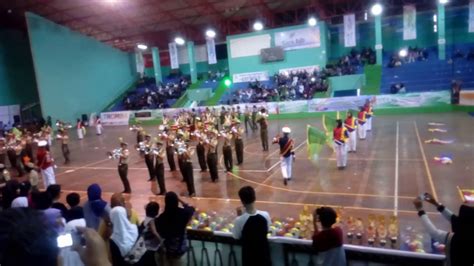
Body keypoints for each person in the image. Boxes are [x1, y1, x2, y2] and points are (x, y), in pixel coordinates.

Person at [414, 193, 474, 266]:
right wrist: (436, 204)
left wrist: (420, 210)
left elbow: (434, 233)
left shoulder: (454, 239)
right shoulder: (469, 233)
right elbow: (453, 218)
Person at [232, 186, 272, 266]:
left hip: (249, 259)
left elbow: (236, 236)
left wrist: (239, 216)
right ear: (254, 198)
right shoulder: (265, 215)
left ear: (242, 201)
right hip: (264, 257)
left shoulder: (239, 220)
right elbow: (268, 230)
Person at [156, 192, 195, 265]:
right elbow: (192, 209)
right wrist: (180, 200)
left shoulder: (161, 218)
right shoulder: (183, 213)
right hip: (180, 251)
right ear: (176, 201)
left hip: (167, 252)